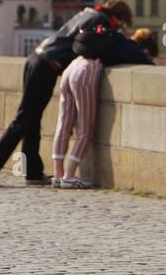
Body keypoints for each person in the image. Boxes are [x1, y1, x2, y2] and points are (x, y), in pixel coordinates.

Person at [0, 0, 132, 188]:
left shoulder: (87, 13)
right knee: (23, 120)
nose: (116, 27)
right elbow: (88, 44)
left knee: (32, 120)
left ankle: (33, 172)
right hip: (47, 66)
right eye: (119, 24)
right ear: (115, 17)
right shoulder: (99, 22)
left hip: (37, 59)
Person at [53, 13, 155, 189]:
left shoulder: (112, 40)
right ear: (146, 48)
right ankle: (69, 177)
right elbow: (149, 66)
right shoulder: (130, 48)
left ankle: (58, 174)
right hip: (87, 71)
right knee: (85, 129)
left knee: (64, 124)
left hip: (73, 66)